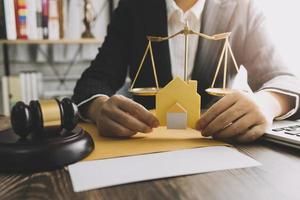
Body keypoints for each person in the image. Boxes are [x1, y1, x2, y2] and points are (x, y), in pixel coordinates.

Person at [73, 0, 300, 142]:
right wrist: (99, 107)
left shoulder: (243, 7)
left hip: (215, 145)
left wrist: (267, 103)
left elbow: (284, 79)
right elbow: (93, 82)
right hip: (146, 143)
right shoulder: (133, 7)